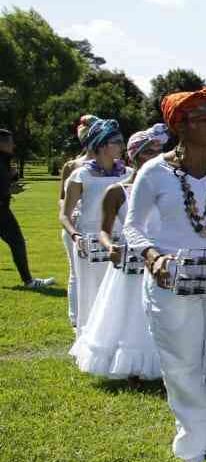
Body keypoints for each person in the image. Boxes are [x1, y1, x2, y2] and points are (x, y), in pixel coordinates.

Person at [124, 87, 206, 462]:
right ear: (179, 125)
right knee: (181, 364)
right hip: (171, 281)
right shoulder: (154, 171)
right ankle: (192, 443)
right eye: (202, 119)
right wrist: (153, 256)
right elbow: (132, 226)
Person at [69, 124, 168, 381]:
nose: (155, 159)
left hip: (160, 260)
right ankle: (130, 364)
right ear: (134, 156)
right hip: (128, 261)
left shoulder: (168, 190)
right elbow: (104, 229)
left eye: (159, 153)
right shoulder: (117, 191)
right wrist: (109, 245)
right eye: (148, 153)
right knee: (127, 314)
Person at [61, 118, 129, 333]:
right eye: (116, 141)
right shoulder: (80, 175)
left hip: (119, 240)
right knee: (90, 289)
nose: (121, 146)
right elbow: (65, 215)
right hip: (88, 240)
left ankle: (115, 333)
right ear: (101, 145)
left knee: (118, 289)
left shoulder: (129, 174)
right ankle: (88, 333)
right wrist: (75, 236)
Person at [0, 129, 55, 289]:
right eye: (10, 142)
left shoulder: (4, 160)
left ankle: (28, 280)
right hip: (1, 212)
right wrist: (9, 190)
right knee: (17, 242)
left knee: (17, 242)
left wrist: (13, 176)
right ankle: (29, 281)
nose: (14, 145)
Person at [58, 116, 97, 320]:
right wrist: (71, 220)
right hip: (76, 225)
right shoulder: (72, 166)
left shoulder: (114, 165)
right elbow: (62, 200)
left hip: (100, 225)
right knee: (75, 272)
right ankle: (75, 317)